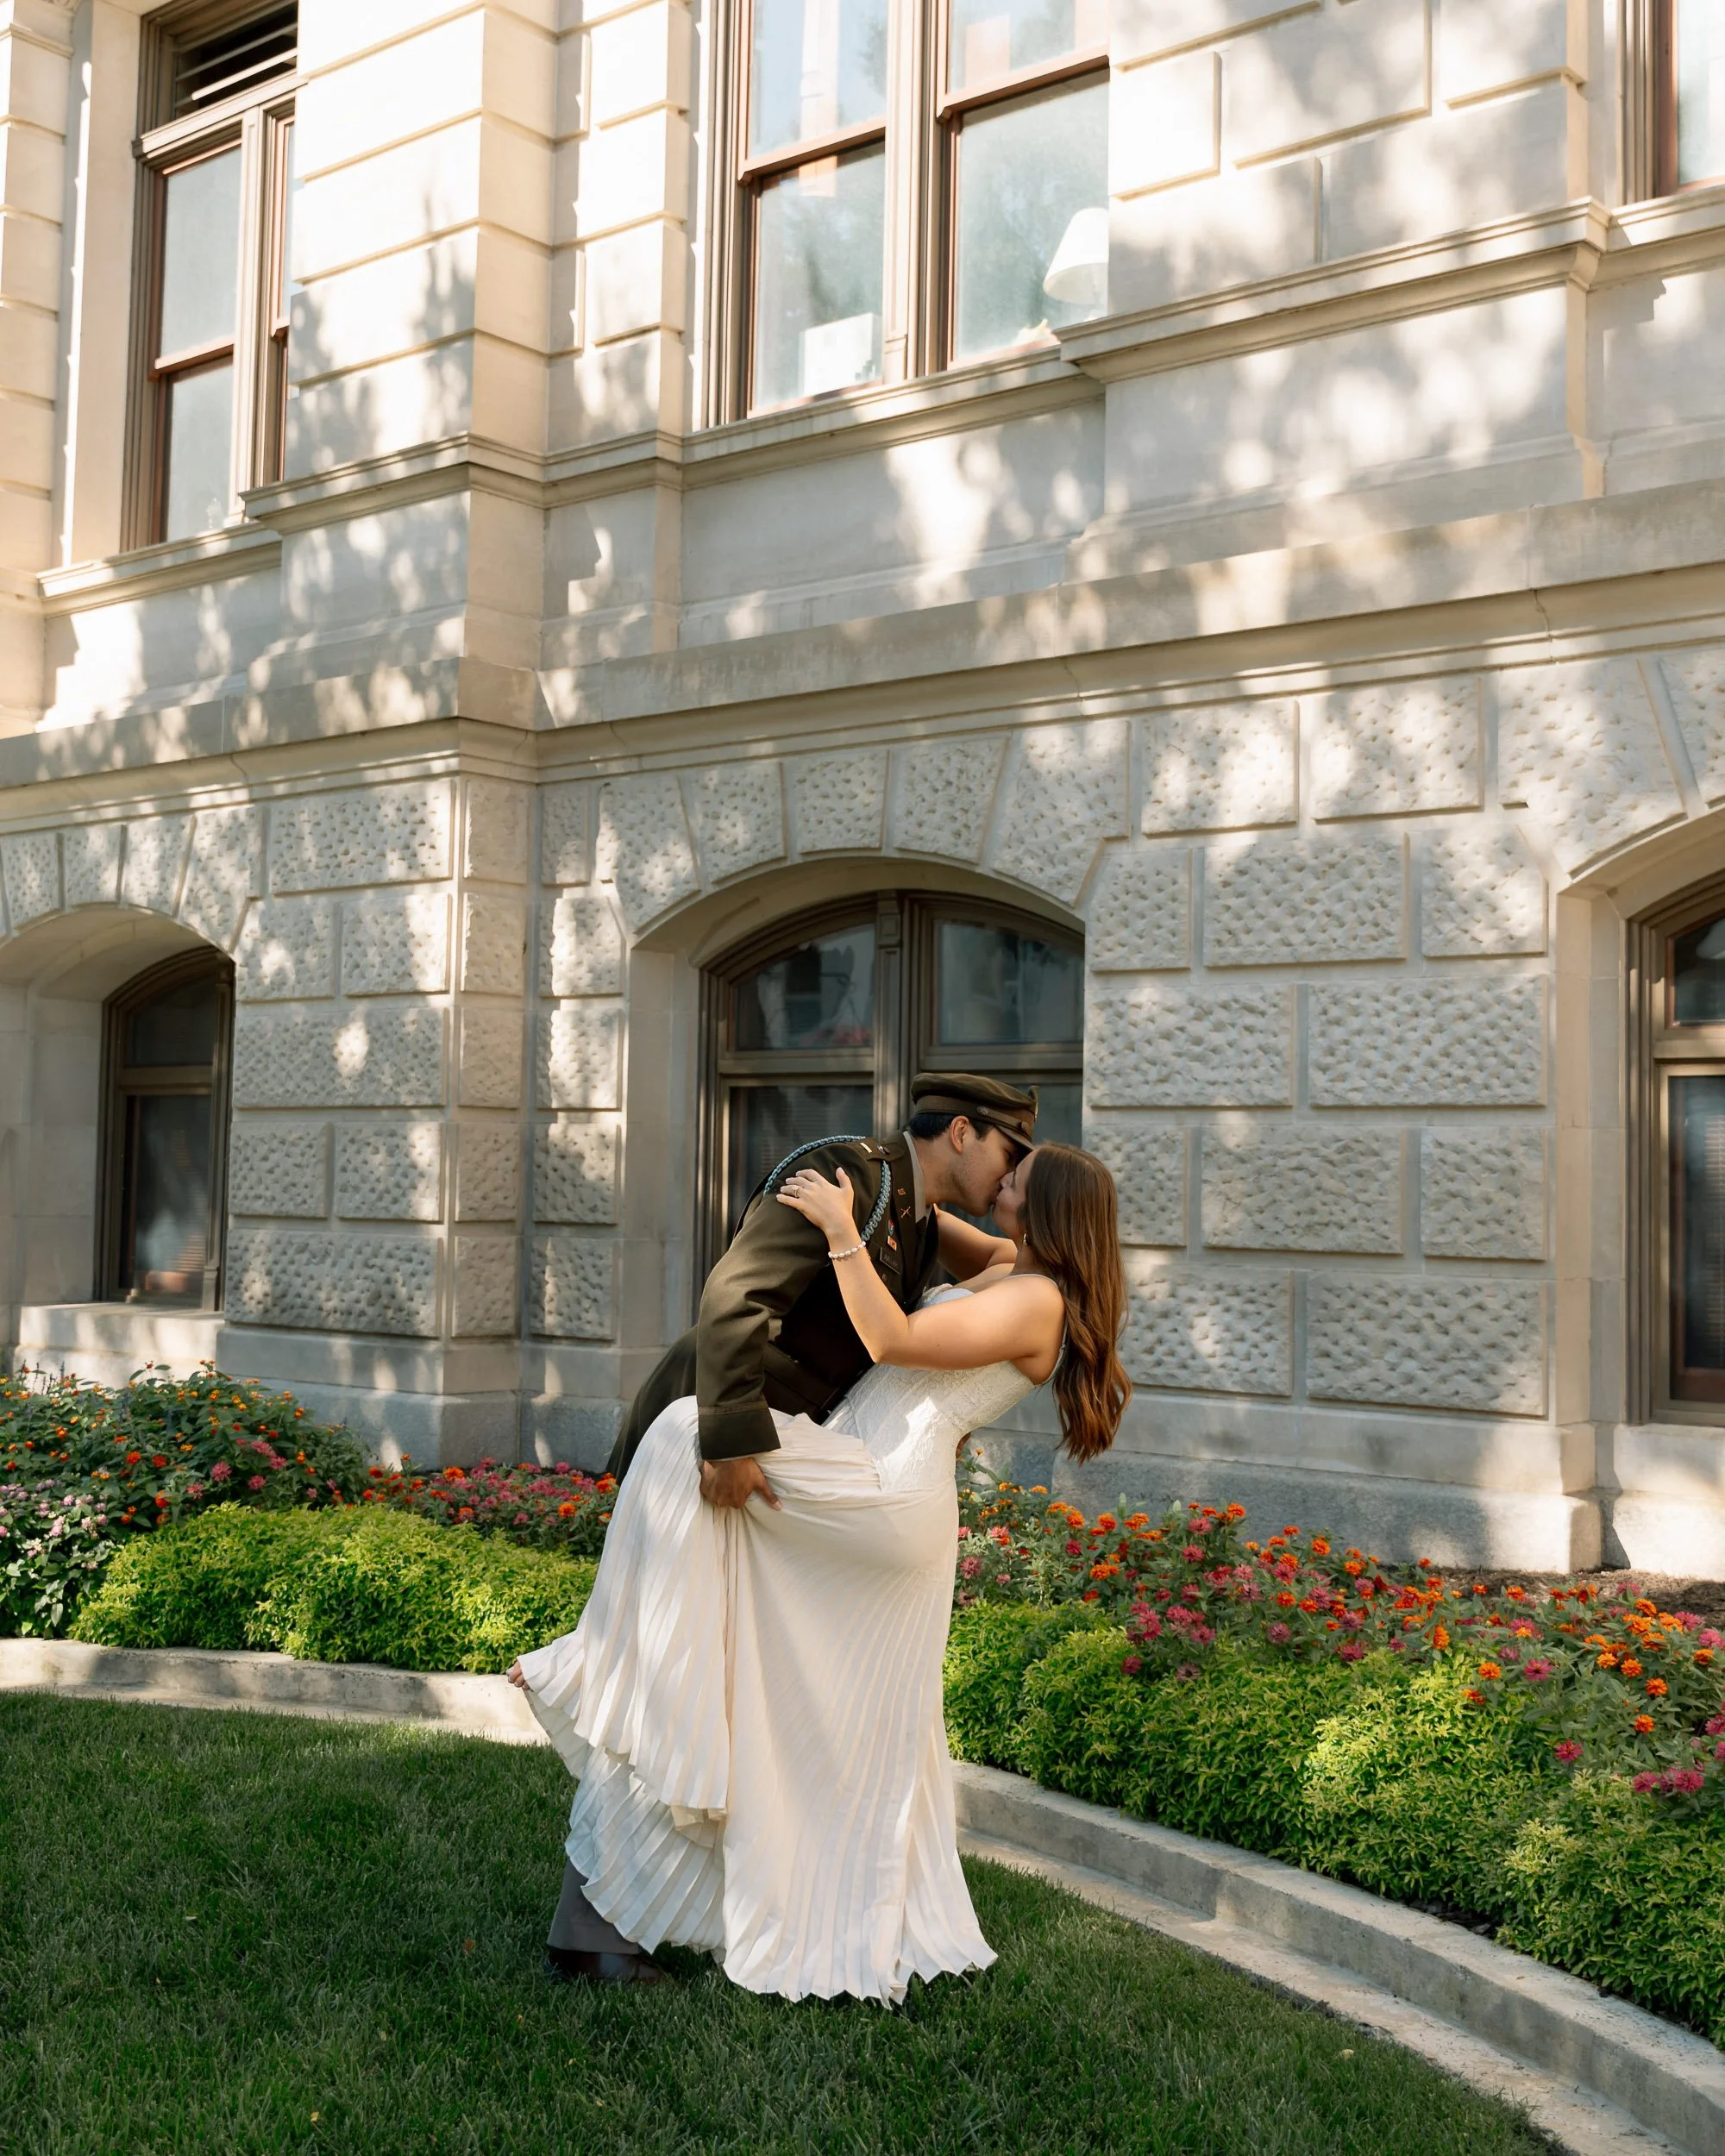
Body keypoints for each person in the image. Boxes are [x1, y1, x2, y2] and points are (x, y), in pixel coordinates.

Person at [508, 1138, 1131, 2006]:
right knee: (799, 1703)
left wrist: (842, 1227)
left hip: (879, 1492)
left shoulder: (1035, 1301)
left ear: (1048, 1206)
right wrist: (892, 1180)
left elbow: (895, 1334)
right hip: (860, 1471)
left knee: (692, 1433)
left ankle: (596, 1664)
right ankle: (634, 1738)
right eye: (1002, 1162)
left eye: (1017, 1179)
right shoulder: (1014, 1266)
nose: (1003, 1179)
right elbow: (944, 1219)